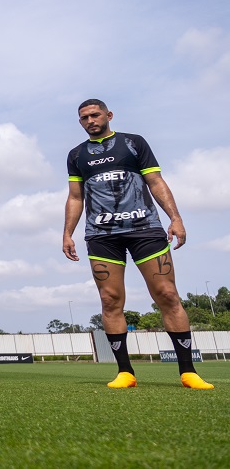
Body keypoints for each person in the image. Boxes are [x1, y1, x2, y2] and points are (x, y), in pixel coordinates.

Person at [62, 99, 213, 390]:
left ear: (108, 115)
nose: (90, 120)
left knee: (167, 294)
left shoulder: (133, 143)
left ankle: (188, 371)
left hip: (145, 228)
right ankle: (125, 373)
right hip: (101, 234)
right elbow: (75, 197)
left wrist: (176, 218)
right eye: (83, 118)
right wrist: (67, 233)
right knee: (110, 300)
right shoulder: (77, 155)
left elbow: (155, 181)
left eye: (94, 115)